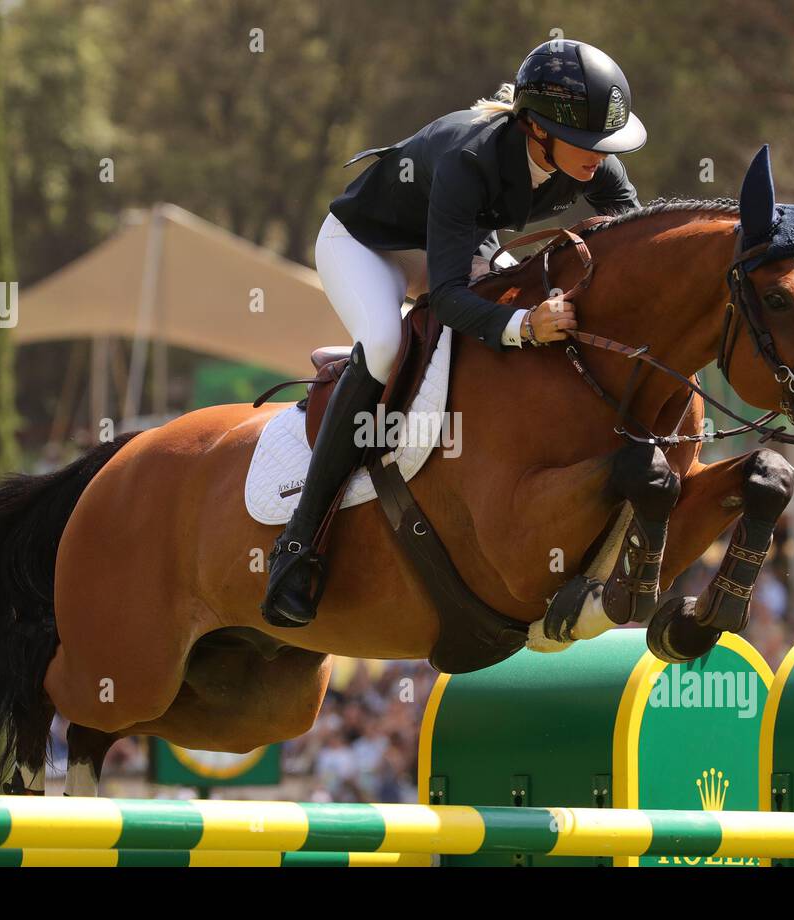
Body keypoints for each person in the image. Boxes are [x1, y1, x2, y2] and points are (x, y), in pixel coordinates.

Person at [263, 39, 647, 626]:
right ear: (535, 131)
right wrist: (524, 325)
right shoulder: (469, 160)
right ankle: (297, 543)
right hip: (369, 246)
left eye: (605, 143)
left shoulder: (589, 158)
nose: (601, 157)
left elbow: (634, 233)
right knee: (388, 345)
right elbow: (443, 295)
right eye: (588, 143)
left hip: (455, 240)